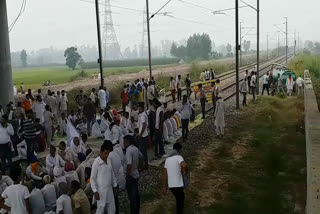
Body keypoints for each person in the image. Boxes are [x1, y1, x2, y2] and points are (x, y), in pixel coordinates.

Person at [91, 143, 118, 214]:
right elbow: (92, 178)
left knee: (112, 209)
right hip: (101, 191)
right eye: (105, 153)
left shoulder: (108, 160)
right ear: (101, 152)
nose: (106, 155)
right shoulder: (96, 162)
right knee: (101, 209)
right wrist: (95, 191)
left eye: (108, 153)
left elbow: (112, 173)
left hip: (109, 189)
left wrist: (115, 185)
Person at [163, 143, 187, 214]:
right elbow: (184, 165)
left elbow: (164, 175)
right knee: (181, 199)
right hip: (178, 185)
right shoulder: (179, 157)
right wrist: (184, 171)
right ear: (179, 150)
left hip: (171, 186)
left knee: (178, 199)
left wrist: (164, 187)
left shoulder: (167, 159)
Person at [105, 141, 125, 214]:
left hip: (112, 182)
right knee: (115, 200)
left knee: (111, 202)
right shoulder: (115, 154)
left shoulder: (109, 157)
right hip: (117, 180)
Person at [124, 135, 141, 214]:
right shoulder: (136, 148)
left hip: (131, 176)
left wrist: (127, 175)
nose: (123, 143)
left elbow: (129, 165)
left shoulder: (128, 150)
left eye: (124, 142)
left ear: (127, 141)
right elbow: (141, 158)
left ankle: (134, 212)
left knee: (132, 197)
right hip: (136, 174)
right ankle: (137, 210)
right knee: (136, 195)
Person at [137, 105, 149, 170]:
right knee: (144, 151)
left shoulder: (142, 115)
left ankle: (143, 166)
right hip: (144, 135)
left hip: (143, 136)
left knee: (142, 151)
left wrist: (140, 134)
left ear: (143, 109)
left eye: (140, 109)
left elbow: (144, 125)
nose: (139, 111)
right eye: (139, 109)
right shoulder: (143, 115)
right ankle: (145, 165)